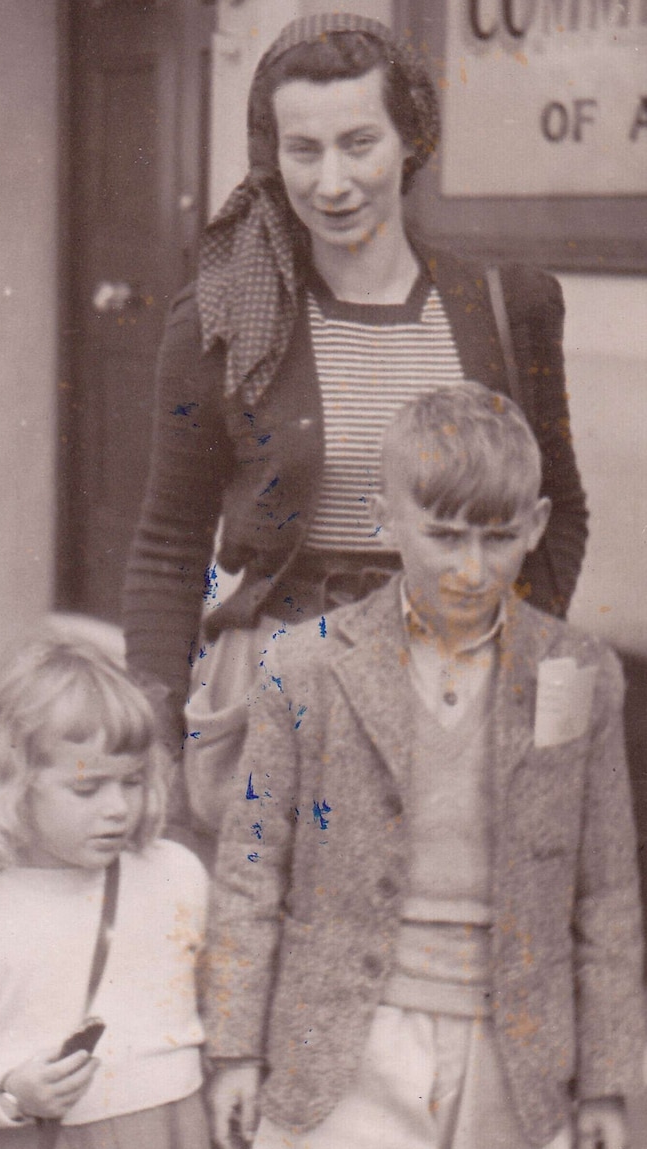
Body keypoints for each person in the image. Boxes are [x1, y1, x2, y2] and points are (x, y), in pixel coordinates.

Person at [122, 12, 589, 838]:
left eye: (359, 142)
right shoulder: (226, 314)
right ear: (274, 156)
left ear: (410, 141)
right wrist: (152, 735)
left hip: (460, 685)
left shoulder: (507, 305)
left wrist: (513, 654)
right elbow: (169, 540)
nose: (332, 181)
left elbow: (559, 510)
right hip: (279, 689)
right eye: (303, 150)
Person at [202, 382, 644, 1149]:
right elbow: (249, 867)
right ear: (385, 518)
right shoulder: (305, 667)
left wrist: (606, 1081)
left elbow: (606, 891)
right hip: (345, 1045)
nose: (472, 569)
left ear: (536, 525)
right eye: (444, 535)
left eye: (498, 537)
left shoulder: (579, 671)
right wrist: (236, 1048)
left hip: (516, 1054)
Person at [0, 622, 210, 1148]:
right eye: (87, 788)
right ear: (15, 785)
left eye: (132, 781)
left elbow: (222, 996)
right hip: (47, 1136)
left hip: (176, 1129)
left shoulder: (173, 875)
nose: (117, 808)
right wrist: (8, 1090)